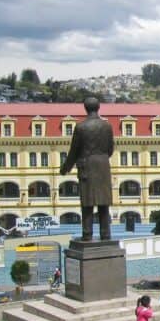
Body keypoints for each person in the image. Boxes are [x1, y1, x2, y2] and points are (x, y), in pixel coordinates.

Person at [58, 97, 114, 241]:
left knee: (87, 203)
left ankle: (87, 234)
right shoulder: (107, 126)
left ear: (85, 108)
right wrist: (101, 157)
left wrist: (65, 168)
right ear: (99, 107)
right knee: (103, 203)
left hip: (87, 166)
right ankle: (105, 234)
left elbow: (73, 151)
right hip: (103, 165)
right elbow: (110, 149)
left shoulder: (81, 127)